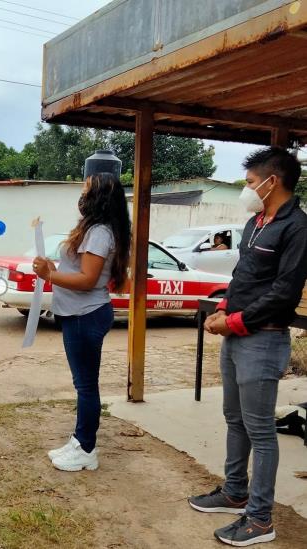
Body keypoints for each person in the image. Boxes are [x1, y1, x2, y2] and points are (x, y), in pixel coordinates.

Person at [188, 147, 307, 546]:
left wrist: (234, 321)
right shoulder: (256, 221)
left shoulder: (298, 227)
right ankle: (235, 492)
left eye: (252, 182)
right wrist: (222, 306)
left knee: (260, 431)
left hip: (264, 337)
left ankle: (260, 519)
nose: (247, 189)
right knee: (234, 418)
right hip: (237, 336)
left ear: (272, 182)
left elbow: (283, 292)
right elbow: (244, 275)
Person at [32, 172, 131, 472]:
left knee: (86, 385)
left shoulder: (100, 232)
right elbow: (77, 269)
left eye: (86, 190)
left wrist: (50, 276)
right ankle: (80, 440)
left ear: (99, 197)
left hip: (86, 315)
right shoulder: (92, 229)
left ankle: (86, 448)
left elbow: (88, 280)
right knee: (83, 384)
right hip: (78, 314)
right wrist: (52, 268)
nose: (81, 194)